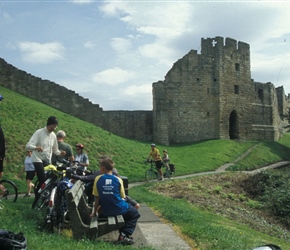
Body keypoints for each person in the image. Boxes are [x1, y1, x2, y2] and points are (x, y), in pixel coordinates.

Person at [90, 158, 140, 245]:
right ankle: (124, 234)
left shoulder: (97, 179)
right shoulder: (118, 179)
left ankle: (123, 235)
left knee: (127, 212)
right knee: (135, 213)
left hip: (105, 211)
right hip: (118, 209)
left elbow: (97, 198)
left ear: (103, 168)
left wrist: (94, 212)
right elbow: (123, 197)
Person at [71, 155, 140, 209]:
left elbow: (89, 178)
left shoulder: (101, 174)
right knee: (135, 206)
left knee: (132, 207)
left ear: (105, 165)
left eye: (101, 163)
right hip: (117, 196)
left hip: (113, 199)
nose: (100, 165)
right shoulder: (113, 170)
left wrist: (74, 176)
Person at [26, 116, 66, 194]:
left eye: (56, 126)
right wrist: (36, 148)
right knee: (43, 179)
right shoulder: (39, 132)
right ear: (49, 124)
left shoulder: (53, 135)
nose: (55, 128)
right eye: (54, 126)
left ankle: (43, 197)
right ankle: (37, 196)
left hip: (47, 160)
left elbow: (55, 150)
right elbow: (28, 145)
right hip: (37, 159)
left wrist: (60, 153)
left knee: (48, 180)